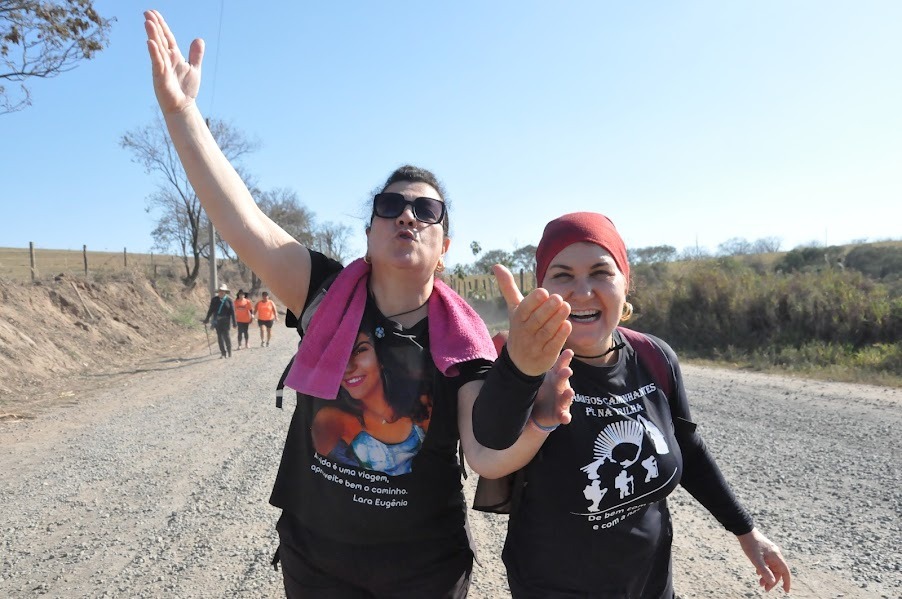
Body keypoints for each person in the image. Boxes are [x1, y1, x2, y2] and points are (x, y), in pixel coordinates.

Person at [143, 11, 567, 596]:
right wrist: (182, 114)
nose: (408, 216)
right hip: (316, 562)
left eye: (427, 211)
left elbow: (485, 457)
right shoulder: (322, 293)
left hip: (425, 569)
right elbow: (241, 220)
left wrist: (529, 388)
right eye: (389, 206)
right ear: (368, 235)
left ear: (443, 247)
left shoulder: (464, 343)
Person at [469, 212, 792, 598]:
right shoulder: (522, 361)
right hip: (552, 586)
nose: (583, 291)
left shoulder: (654, 356)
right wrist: (524, 371)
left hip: (650, 584)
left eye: (601, 272)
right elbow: (491, 440)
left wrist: (746, 531)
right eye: (563, 275)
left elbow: (687, 447)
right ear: (542, 289)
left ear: (626, 283)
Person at [203, 284, 236, 358]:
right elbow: (210, 310)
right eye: (220, 291)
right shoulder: (214, 300)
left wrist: (234, 323)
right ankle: (223, 353)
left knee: (226, 336)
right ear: (218, 291)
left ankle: (229, 351)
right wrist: (207, 319)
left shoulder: (229, 300)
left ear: (225, 292)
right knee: (220, 337)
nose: (221, 292)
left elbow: (232, 312)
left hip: (226, 321)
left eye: (223, 291)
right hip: (217, 321)